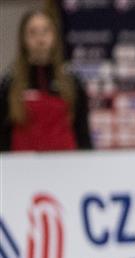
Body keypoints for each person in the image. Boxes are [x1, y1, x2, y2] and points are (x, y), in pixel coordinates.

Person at [0, 8, 92, 152]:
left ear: (54, 36)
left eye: (45, 31)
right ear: (23, 38)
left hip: (65, 161)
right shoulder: (10, 82)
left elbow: (83, 134)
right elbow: (2, 135)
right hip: (22, 162)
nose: (40, 39)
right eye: (33, 32)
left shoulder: (72, 81)